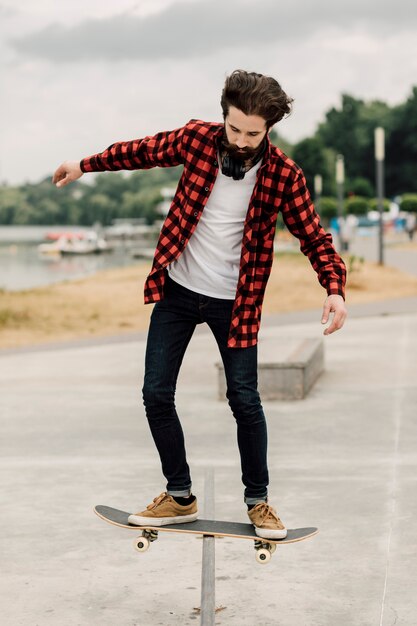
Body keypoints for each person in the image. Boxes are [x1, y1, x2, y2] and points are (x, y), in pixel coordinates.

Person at [52, 70, 347, 539]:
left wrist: (334, 287)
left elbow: (313, 235)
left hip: (236, 300)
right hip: (177, 290)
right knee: (155, 393)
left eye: (254, 133)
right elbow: (141, 150)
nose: (243, 141)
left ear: (269, 129)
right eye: (235, 129)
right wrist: (84, 165)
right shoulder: (195, 141)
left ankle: (259, 501)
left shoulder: (284, 175)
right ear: (223, 115)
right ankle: (180, 496)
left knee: (245, 400)